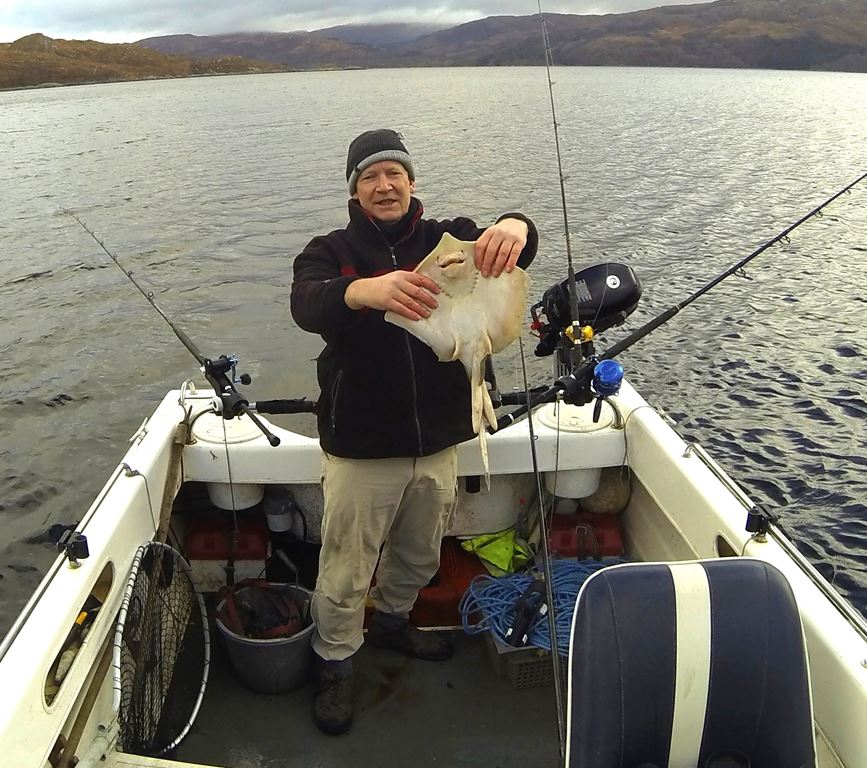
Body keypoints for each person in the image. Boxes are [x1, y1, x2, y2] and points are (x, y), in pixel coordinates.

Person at [290, 128, 538, 735]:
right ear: (354, 190)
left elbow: (517, 248)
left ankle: (396, 624)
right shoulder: (331, 250)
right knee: (347, 563)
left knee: (421, 550)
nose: (384, 185)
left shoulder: (445, 239)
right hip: (362, 443)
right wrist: (364, 290)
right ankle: (337, 659)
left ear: (410, 181)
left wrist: (515, 226)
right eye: (369, 177)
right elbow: (307, 303)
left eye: (393, 173)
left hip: (438, 437)